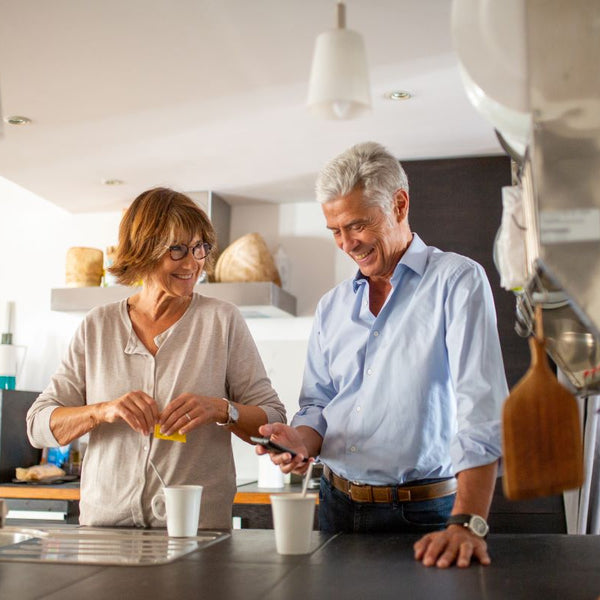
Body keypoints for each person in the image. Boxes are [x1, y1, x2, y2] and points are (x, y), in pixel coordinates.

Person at [257, 142, 508, 568]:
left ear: (399, 203)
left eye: (356, 225)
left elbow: (482, 412)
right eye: (334, 230)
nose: (346, 244)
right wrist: (300, 440)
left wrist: (468, 522)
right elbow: (318, 403)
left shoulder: (456, 281)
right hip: (335, 505)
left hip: (425, 513)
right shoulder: (332, 306)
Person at [27, 187, 286, 530]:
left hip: (195, 529)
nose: (193, 262)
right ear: (143, 250)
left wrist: (222, 410)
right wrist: (101, 411)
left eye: (199, 248)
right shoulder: (97, 325)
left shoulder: (221, 321)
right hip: (107, 529)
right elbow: (38, 426)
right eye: (177, 249)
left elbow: (274, 421)